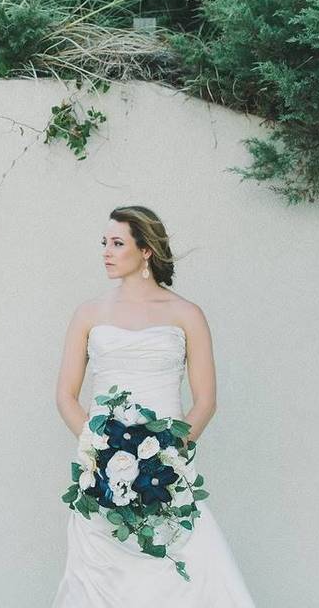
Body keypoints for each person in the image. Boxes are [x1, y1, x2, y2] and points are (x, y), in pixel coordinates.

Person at [50, 206, 256, 607]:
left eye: (117, 243)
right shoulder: (88, 314)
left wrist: (166, 459)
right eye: (104, 244)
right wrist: (102, 452)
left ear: (145, 251)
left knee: (184, 577)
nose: (106, 252)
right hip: (103, 478)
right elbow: (65, 396)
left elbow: (206, 400)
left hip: (167, 476)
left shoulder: (186, 315)